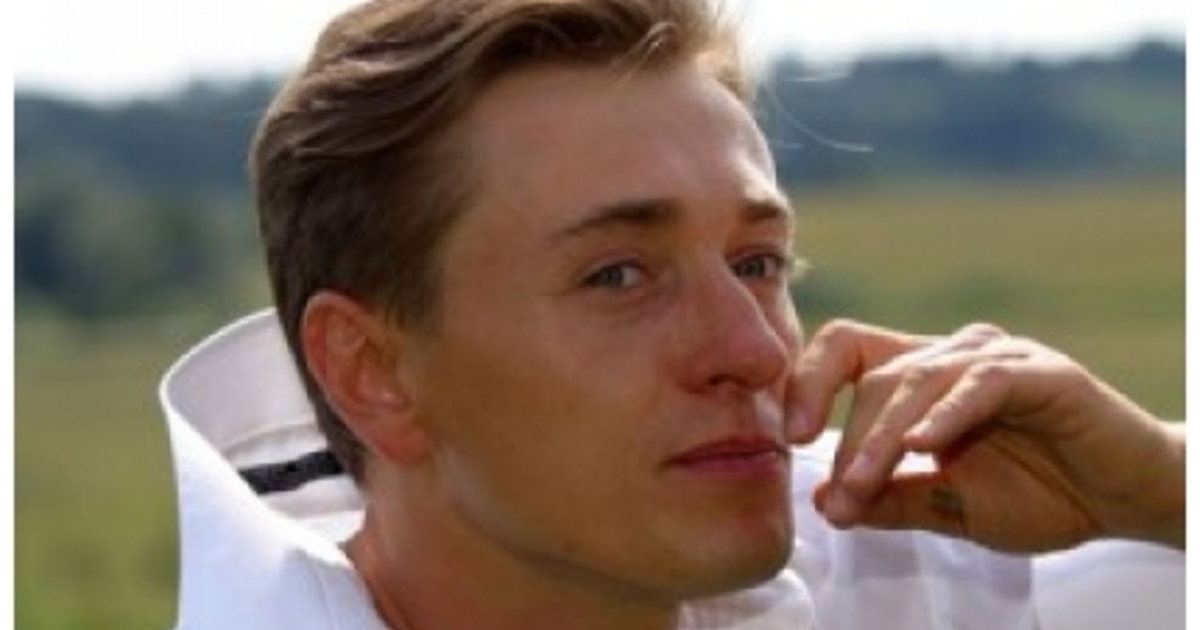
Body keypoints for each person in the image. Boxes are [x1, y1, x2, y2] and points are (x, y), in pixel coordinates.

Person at [158, 0, 1184, 629]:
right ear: (372, 370)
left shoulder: (904, 566)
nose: (757, 349)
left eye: (757, 262)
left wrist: (1157, 484)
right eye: (618, 276)